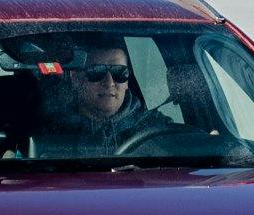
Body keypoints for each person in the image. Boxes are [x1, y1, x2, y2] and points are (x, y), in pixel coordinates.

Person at [40, 34, 172, 156]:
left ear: (127, 82)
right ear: (75, 78)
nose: (109, 83)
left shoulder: (156, 129)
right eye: (97, 72)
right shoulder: (53, 132)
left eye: (119, 72)